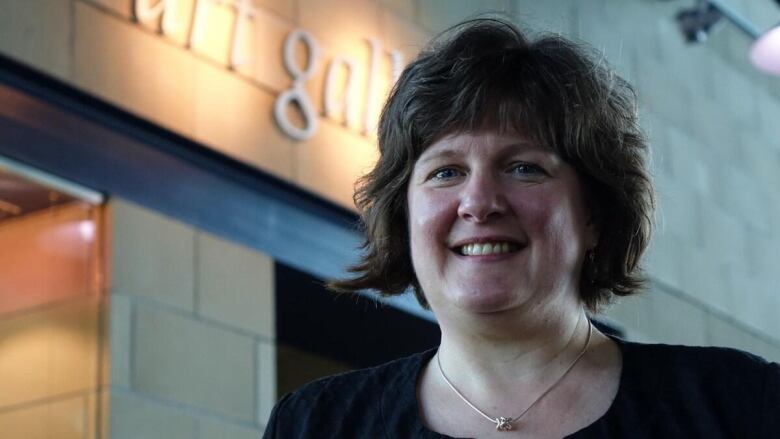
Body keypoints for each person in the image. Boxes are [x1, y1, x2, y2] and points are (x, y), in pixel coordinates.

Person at [263, 18, 780, 438]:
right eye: (446, 171)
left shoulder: (740, 404)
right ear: (403, 216)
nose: (479, 202)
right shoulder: (313, 425)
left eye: (524, 167)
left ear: (594, 214)